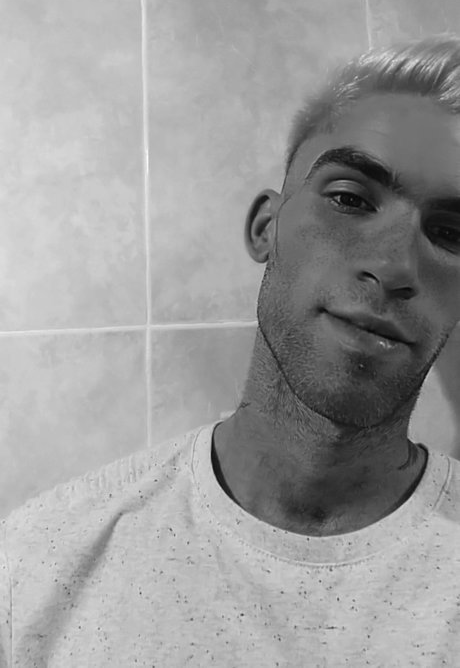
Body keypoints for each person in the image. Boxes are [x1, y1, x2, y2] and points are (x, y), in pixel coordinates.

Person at [1, 34, 460, 667]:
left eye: (450, 232)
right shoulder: (34, 568)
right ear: (266, 228)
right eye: (350, 199)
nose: (393, 266)